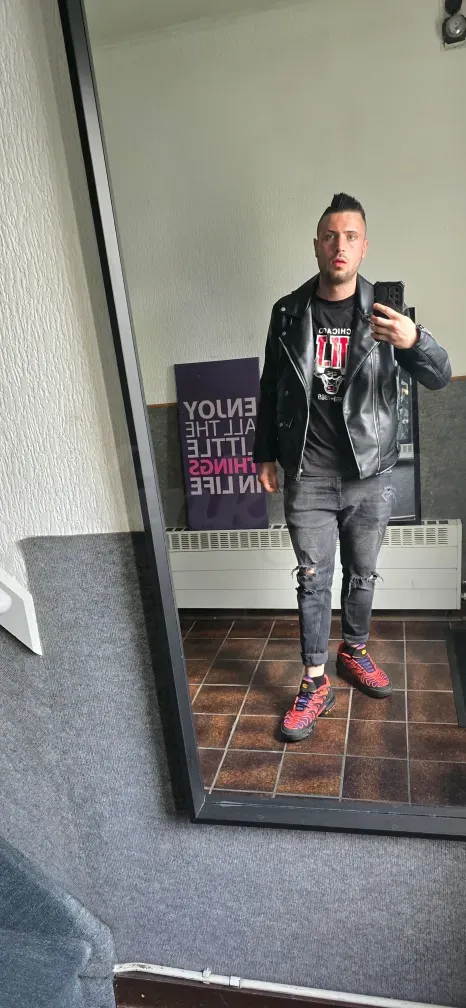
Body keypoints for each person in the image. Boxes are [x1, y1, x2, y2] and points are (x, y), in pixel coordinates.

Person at [253, 193, 451, 742]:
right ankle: (315, 681)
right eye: (330, 236)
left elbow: (439, 375)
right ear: (317, 245)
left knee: (362, 573)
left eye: (351, 236)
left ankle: (354, 651)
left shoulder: (386, 315)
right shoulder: (288, 312)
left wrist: (416, 340)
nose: (339, 245)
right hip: (308, 473)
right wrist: (264, 452)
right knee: (313, 580)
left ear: (364, 247)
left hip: (369, 474)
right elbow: (270, 385)